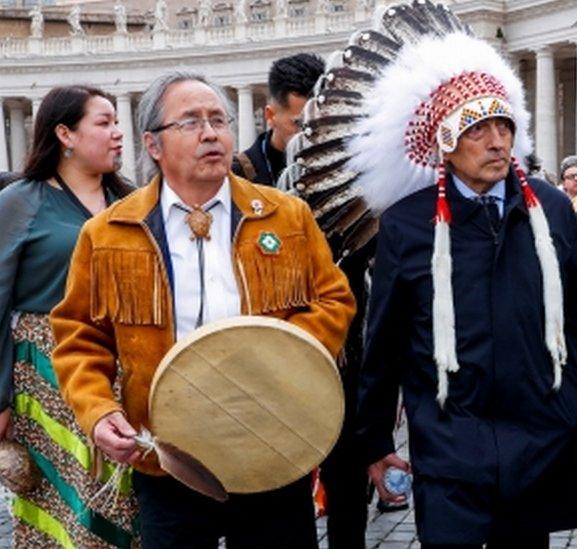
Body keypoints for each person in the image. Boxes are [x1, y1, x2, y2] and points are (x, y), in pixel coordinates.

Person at [49, 72, 356, 548]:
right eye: (190, 122)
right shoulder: (108, 233)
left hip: (272, 450)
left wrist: (277, 357)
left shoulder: (286, 217)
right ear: (153, 144)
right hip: (168, 460)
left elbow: (334, 300)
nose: (211, 133)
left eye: (219, 120)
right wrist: (98, 410)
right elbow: (77, 335)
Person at [353, 30, 577, 547]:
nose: (497, 142)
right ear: (445, 141)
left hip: (538, 443)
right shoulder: (406, 225)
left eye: (503, 125)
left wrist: (569, 413)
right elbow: (386, 343)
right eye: (478, 129)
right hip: (448, 451)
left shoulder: (550, 209)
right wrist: (376, 439)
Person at [0, 86, 136, 547]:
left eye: (117, 121)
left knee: (127, 502)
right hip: (47, 371)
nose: (118, 134)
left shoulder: (132, 202)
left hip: (125, 370)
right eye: (103, 123)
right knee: (69, 508)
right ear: (65, 134)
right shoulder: (20, 201)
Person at [231, 53, 324, 186]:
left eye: (319, 122)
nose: (311, 133)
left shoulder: (342, 166)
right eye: (299, 123)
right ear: (270, 116)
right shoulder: (238, 176)